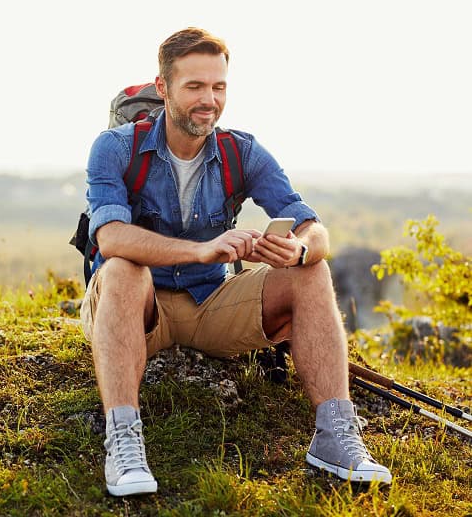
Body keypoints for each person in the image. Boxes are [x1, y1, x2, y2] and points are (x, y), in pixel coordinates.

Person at [80, 27, 392, 497]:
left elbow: (315, 227)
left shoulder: (240, 151)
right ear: (163, 88)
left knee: (313, 271)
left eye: (218, 87)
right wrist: (202, 249)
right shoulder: (116, 148)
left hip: (211, 303)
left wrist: (299, 249)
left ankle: (336, 437)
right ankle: (123, 440)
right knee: (123, 266)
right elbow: (109, 236)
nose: (209, 100)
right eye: (195, 87)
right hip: (135, 307)